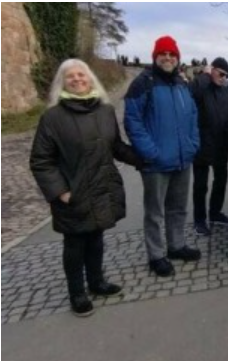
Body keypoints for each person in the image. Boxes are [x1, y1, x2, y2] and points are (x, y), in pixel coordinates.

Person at [30, 59, 142, 317]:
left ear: (90, 78)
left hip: (101, 188)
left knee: (96, 239)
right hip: (73, 193)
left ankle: (97, 282)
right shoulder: (53, 117)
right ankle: (77, 293)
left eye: (82, 74)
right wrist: (61, 192)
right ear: (63, 82)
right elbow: (41, 160)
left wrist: (143, 159)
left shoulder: (105, 111)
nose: (77, 79)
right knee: (75, 245)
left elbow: (115, 147)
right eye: (71, 76)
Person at [124, 35, 201, 278]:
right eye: (163, 54)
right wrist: (149, 151)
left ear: (177, 58)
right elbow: (132, 121)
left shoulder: (182, 83)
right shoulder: (143, 83)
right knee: (155, 212)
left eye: (172, 54)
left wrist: (192, 144)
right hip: (156, 162)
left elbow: (192, 117)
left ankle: (176, 245)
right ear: (155, 57)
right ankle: (157, 255)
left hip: (182, 158)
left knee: (178, 208)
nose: (167, 58)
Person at [190, 57, 228, 236]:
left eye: (227, 75)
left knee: (221, 182)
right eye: (221, 73)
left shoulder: (226, 92)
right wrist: (205, 75)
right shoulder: (201, 88)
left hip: (220, 145)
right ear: (212, 70)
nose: (223, 77)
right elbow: (191, 93)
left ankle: (215, 213)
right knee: (200, 186)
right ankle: (199, 220)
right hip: (202, 145)